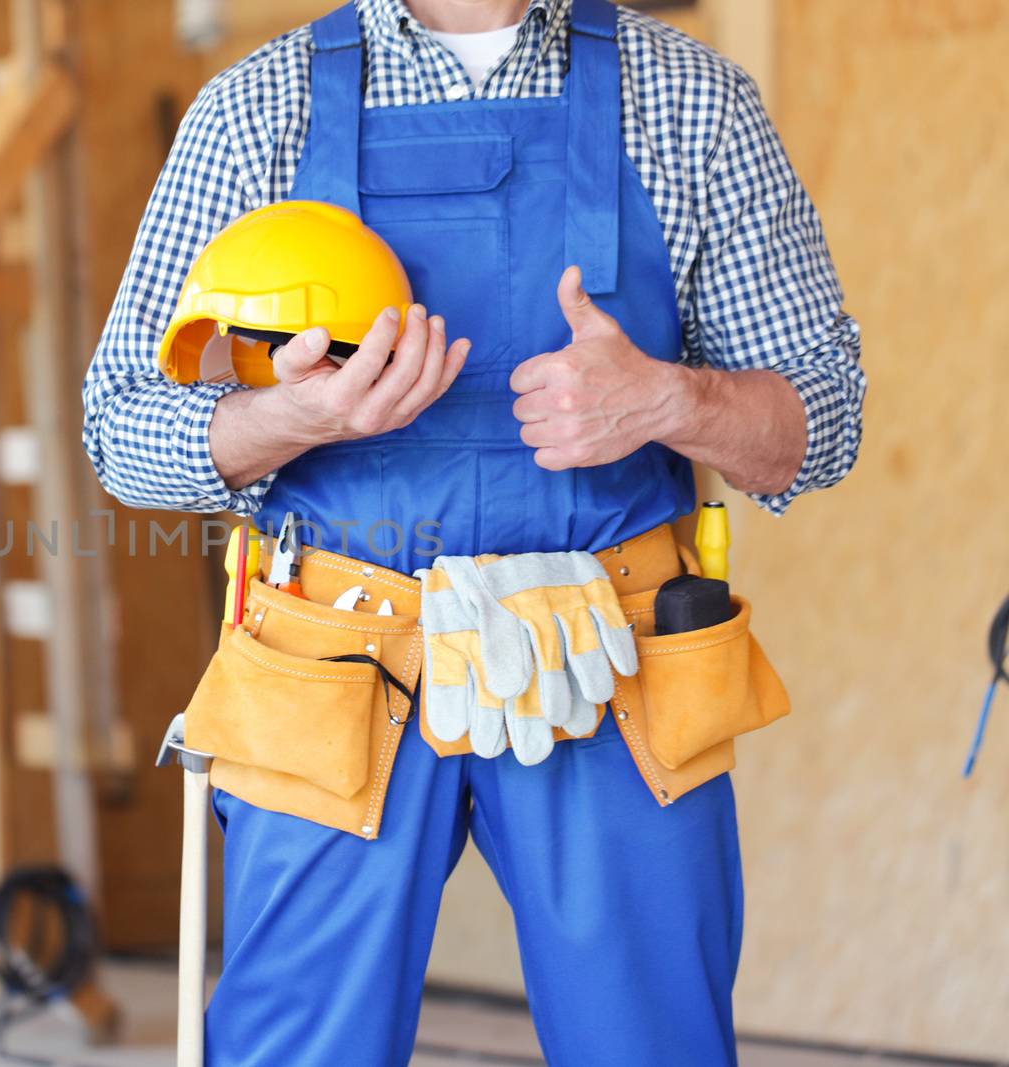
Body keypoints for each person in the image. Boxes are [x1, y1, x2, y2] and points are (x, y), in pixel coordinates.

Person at [83, 1, 865, 1064]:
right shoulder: (254, 111)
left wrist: (667, 399)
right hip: (333, 665)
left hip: (608, 657)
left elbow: (820, 426)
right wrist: (293, 417)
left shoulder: (690, 100)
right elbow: (120, 428)